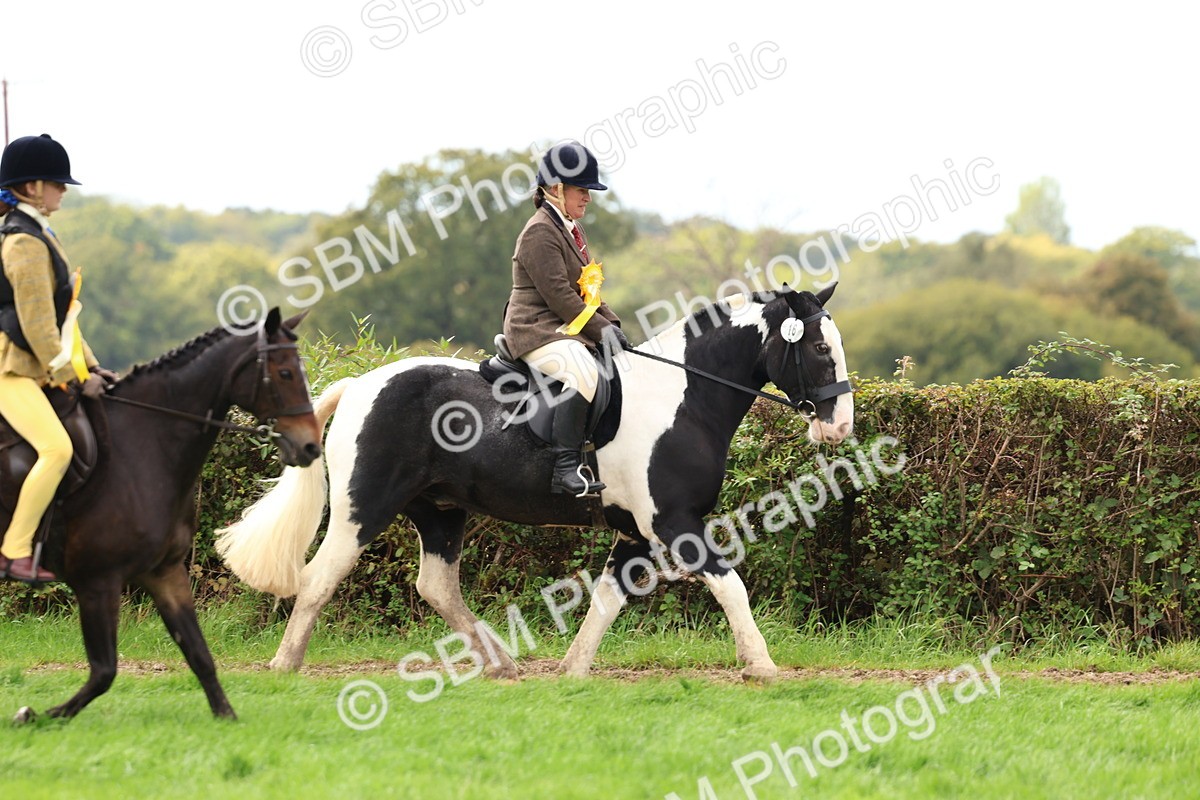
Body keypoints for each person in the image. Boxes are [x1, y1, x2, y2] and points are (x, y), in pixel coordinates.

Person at [0, 133, 106, 583]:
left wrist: (92, 366)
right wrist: (72, 377)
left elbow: (65, 318)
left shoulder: (41, 233)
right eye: (57, 183)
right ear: (32, 187)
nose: (63, 190)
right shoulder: (23, 242)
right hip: (10, 369)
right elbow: (38, 327)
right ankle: (14, 551)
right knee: (56, 449)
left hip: (31, 365)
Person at [503, 140, 630, 497]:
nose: (588, 197)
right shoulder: (539, 231)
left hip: (564, 327)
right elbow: (560, 295)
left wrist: (613, 326)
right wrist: (600, 330)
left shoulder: (572, 228)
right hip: (536, 330)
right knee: (584, 373)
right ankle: (565, 468)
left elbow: (587, 289)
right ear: (556, 188)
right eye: (581, 189)